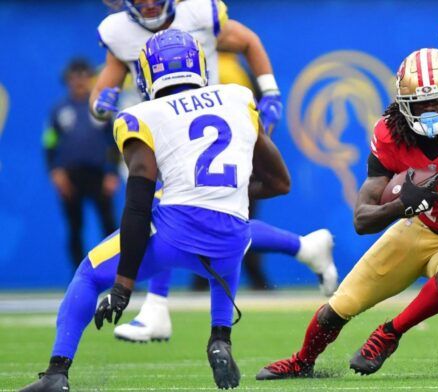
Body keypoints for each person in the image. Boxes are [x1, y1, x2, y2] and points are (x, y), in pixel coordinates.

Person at [20, 29, 289, 392]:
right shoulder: (238, 98)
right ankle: (220, 336)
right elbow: (279, 183)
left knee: (87, 273)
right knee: (228, 235)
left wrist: (123, 284)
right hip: (231, 244)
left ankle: (56, 373)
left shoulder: (141, 115)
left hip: (175, 234)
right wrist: (226, 194)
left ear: (149, 72)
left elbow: (138, 203)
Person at [255, 48, 438, 380]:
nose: (430, 109)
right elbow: (362, 220)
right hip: (417, 229)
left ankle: (389, 334)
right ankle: (302, 361)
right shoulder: (390, 134)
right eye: (420, 103)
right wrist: (403, 204)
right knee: (340, 307)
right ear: (405, 105)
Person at [91, 0, 338, 343]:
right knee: (194, 213)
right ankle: (303, 247)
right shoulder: (120, 31)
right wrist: (100, 102)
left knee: (179, 210)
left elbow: (248, 40)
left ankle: (156, 309)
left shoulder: (199, 13)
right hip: (165, 130)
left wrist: (270, 91)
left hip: (209, 125)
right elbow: (105, 85)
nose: (148, 4)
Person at [43, 58, 120, 269]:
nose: (79, 81)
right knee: (75, 227)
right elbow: (49, 143)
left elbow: (114, 143)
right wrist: (55, 172)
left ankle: (119, 278)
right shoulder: (59, 111)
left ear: (91, 79)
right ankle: (79, 280)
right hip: (70, 176)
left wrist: (112, 173)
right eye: (74, 76)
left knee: (110, 228)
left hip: (98, 175)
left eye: (84, 76)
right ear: (67, 80)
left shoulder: (101, 109)